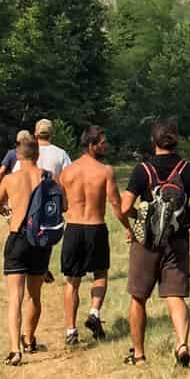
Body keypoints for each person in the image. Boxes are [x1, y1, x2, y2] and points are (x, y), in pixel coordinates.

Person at [119, 116, 190, 367]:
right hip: (177, 241)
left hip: (146, 243)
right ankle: (181, 344)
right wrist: (180, 216)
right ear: (175, 140)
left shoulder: (142, 170)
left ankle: (138, 354)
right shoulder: (189, 170)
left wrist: (141, 220)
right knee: (175, 295)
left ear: (153, 140)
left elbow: (125, 207)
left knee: (138, 297)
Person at [58, 124, 128, 347]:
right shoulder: (105, 171)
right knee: (100, 273)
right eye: (102, 142)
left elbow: (61, 203)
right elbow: (116, 202)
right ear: (91, 145)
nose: (106, 146)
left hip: (74, 227)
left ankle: (71, 330)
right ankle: (94, 313)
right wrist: (128, 226)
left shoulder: (67, 172)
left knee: (72, 281)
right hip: (95, 227)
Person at [0, 136, 50, 365]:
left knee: (14, 297)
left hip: (17, 237)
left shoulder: (10, 179)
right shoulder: (47, 178)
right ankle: (30, 339)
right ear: (37, 155)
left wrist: (10, 214)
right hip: (40, 240)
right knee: (34, 295)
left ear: (18, 155)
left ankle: (15, 349)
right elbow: (62, 205)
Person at [0, 128, 33, 192]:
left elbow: (1, 171)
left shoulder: (11, 153)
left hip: (14, 183)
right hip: (28, 184)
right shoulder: (33, 153)